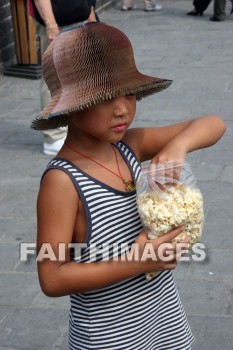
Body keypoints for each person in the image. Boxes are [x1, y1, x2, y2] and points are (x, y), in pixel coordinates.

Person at [32, 22, 226, 349]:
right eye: (105, 98)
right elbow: (51, 278)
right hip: (109, 338)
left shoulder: (130, 146)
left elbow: (213, 123)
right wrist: (139, 261)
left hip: (164, 322)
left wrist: (177, 147)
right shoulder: (62, 181)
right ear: (72, 104)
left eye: (130, 93)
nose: (122, 109)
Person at [30, 0, 97, 155]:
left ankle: (75, 131)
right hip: (58, 22)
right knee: (55, 78)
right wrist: (51, 25)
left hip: (79, 18)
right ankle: (54, 137)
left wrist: (89, 11)